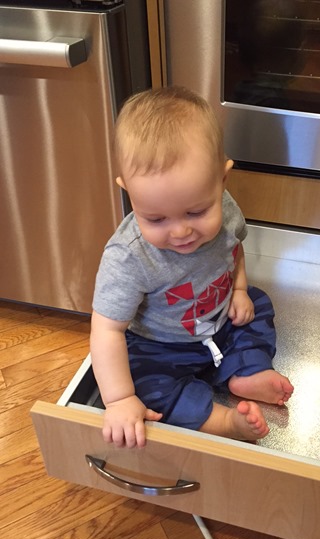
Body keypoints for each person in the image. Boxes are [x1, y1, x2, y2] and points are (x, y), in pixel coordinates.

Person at [90, 86, 294, 449]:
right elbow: (106, 330)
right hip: (160, 345)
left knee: (258, 306)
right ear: (128, 191)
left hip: (218, 320)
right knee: (143, 384)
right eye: (155, 217)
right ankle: (222, 421)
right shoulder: (128, 258)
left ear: (222, 179)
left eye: (197, 212)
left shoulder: (227, 209)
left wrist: (241, 289)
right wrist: (119, 400)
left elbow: (235, 250)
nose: (181, 231)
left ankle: (247, 372)